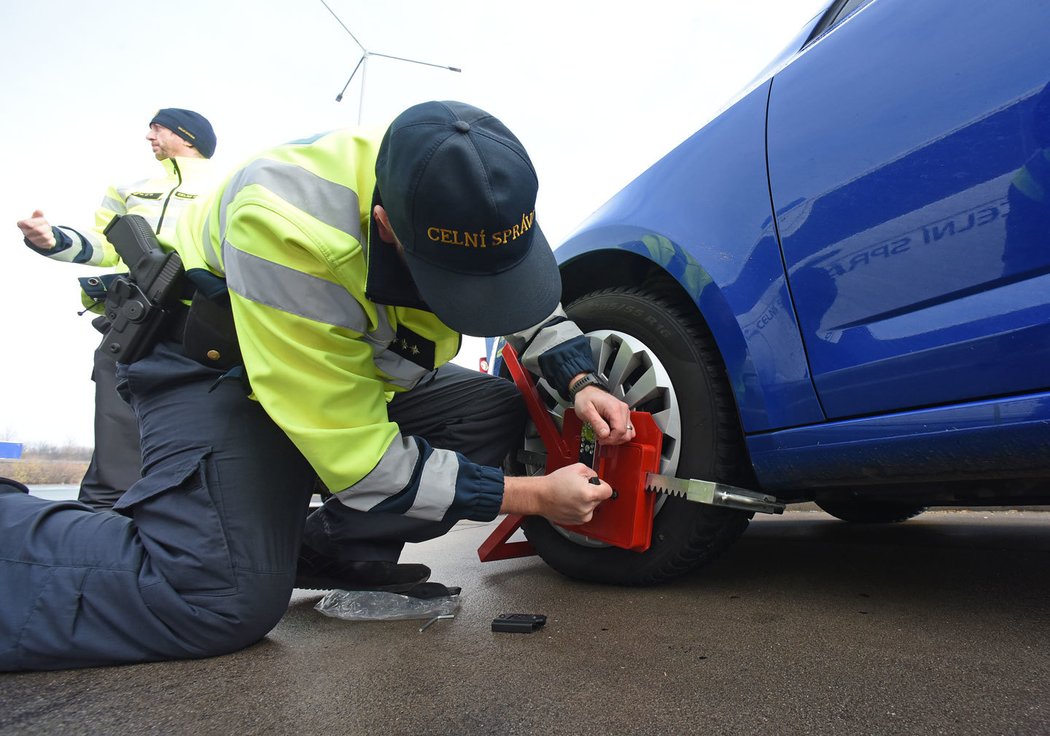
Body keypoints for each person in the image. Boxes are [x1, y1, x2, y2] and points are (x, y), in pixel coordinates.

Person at [0, 100, 634, 672]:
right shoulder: (286, 225)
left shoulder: (465, 178)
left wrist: (578, 376)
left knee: (485, 409)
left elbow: (506, 282)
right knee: (218, 597)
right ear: (388, 226)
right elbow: (364, 463)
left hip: (343, 366)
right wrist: (531, 496)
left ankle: (315, 550)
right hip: (216, 368)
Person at [15, 108, 218, 510]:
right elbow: (104, 244)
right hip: (130, 320)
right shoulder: (129, 186)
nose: (149, 135)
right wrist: (54, 240)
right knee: (118, 429)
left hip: (196, 322)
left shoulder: (228, 183)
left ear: (187, 136)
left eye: (157, 127)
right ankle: (105, 518)